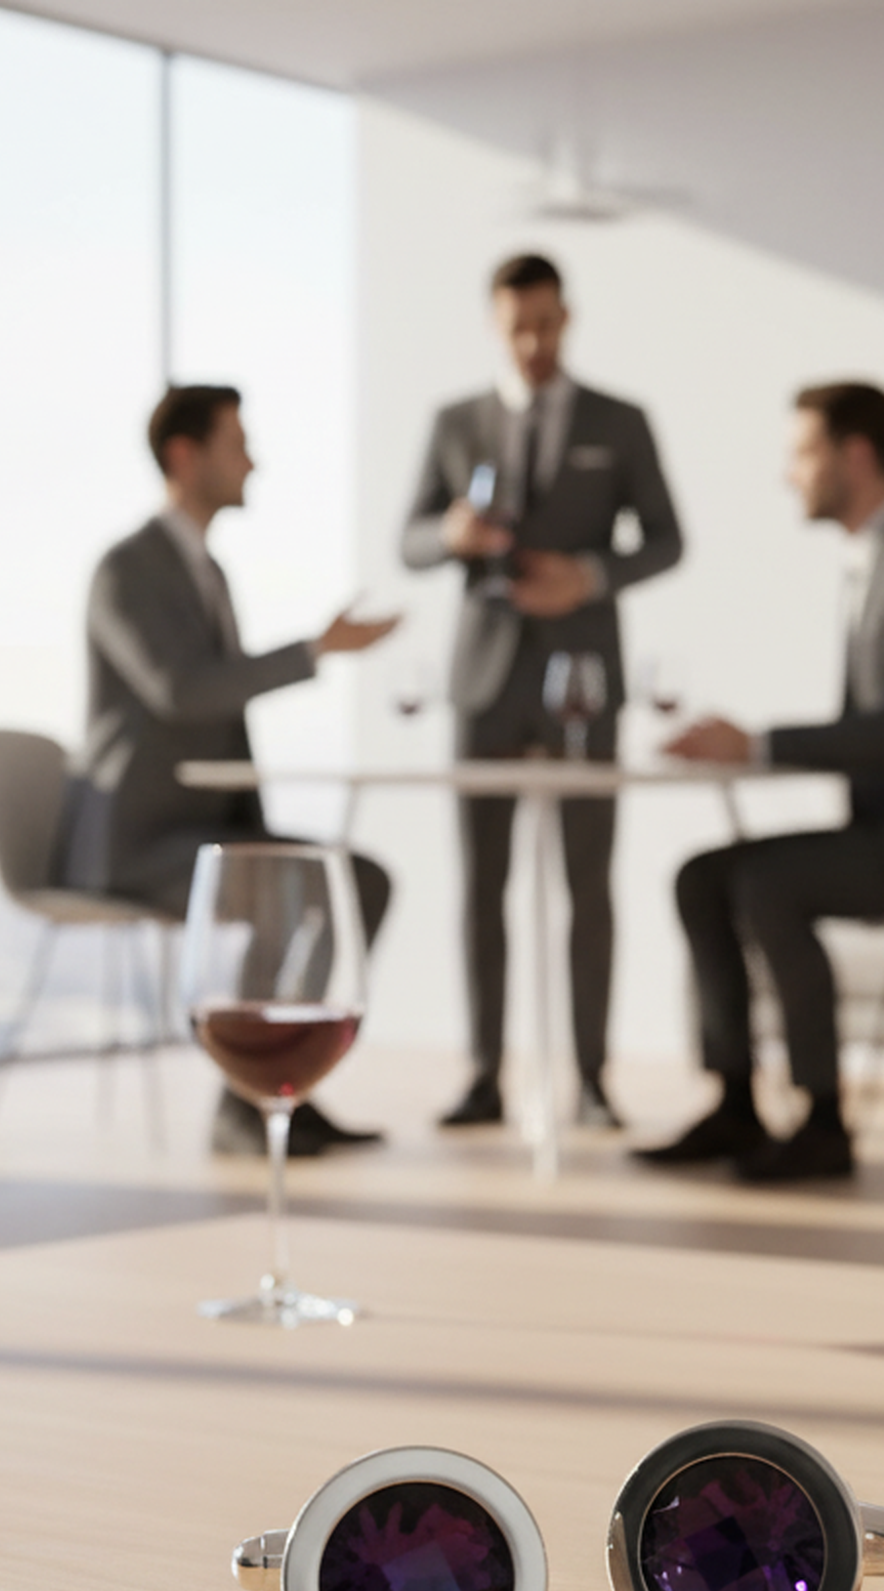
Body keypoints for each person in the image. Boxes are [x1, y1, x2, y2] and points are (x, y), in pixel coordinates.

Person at [639, 380, 884, 1184]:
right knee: (701, 876)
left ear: (855, 455)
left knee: (763, 883)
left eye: (802, 453)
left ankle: (822, 1120)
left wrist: (757, 745)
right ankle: (738, 1103)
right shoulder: (880, 564)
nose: (790, 474)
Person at [65, 383, 398, 1156]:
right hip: (138, 840)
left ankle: (277, 1084)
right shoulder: (124, 569)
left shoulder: (206, 572)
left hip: (208, 825)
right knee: (284, 891)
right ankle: (253, 1096)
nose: (253, 460)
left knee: (353, 881)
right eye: (237, 443)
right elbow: (181, 691)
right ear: (186, 455)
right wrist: (316, 650)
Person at [402, 252, 684, 1132]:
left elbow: (667, 539)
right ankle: (486, 1074)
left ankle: (593, 1080)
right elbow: (407, 542)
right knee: (479, 887)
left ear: (569, 317)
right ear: (495, 322)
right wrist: (449, 534)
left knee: (587, 885)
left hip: (583, 683)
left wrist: (589, 577)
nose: (534, 341)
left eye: (549, 323)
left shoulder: (620, 421)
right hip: (482, 680)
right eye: (519, 325)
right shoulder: (454, 422)